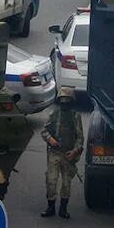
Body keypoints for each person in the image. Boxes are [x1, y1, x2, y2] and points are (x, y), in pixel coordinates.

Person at [41, 87, 84, 219]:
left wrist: (74, 151)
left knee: (66, 183)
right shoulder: (54, 114)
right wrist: (51, 140)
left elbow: (80, 138)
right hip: (54, 152)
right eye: (62, 101)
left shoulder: (75, 116)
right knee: (51, 180)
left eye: (67, 101)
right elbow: (44, 131)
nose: (64, 104)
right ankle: (51, 206)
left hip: (68, 155)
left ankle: (63, 208)